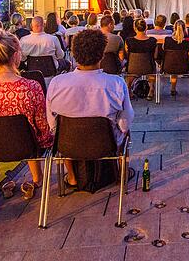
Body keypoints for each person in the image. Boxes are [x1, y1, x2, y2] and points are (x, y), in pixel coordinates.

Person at [46, 30, 134, 189]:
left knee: (61, 129)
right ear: (102, 55)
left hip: (67, 144)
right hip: (106, 144)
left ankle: (72, 177)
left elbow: (52, 125)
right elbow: (125, 124)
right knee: (125, 130)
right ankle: (121, 171)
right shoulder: (116, 84)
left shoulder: (56, 83)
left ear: (73, 53)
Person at [0, 29, 51, 195]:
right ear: (15, 56)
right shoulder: (31, 87)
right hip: (25, 146)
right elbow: (42, 128)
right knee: (33, 131)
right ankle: (37, 179)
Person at [124, 18, 157, 97]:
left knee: (129, 73)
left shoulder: (129, 41)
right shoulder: (152, 41)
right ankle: (151, 87)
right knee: (152, 68)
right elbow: (155, 56)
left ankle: (128, 89)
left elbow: (127, 54)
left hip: (132, 68)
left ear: (135, 28)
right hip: (148, 68)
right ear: (146, 28)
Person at [163, 20, 189, 96]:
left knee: (173, 63)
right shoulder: (188, 44)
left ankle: (173, 88)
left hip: (167, 67)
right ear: (185, 29)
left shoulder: (167, 41)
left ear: (174, 28)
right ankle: (173, 89)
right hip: (183, 68)